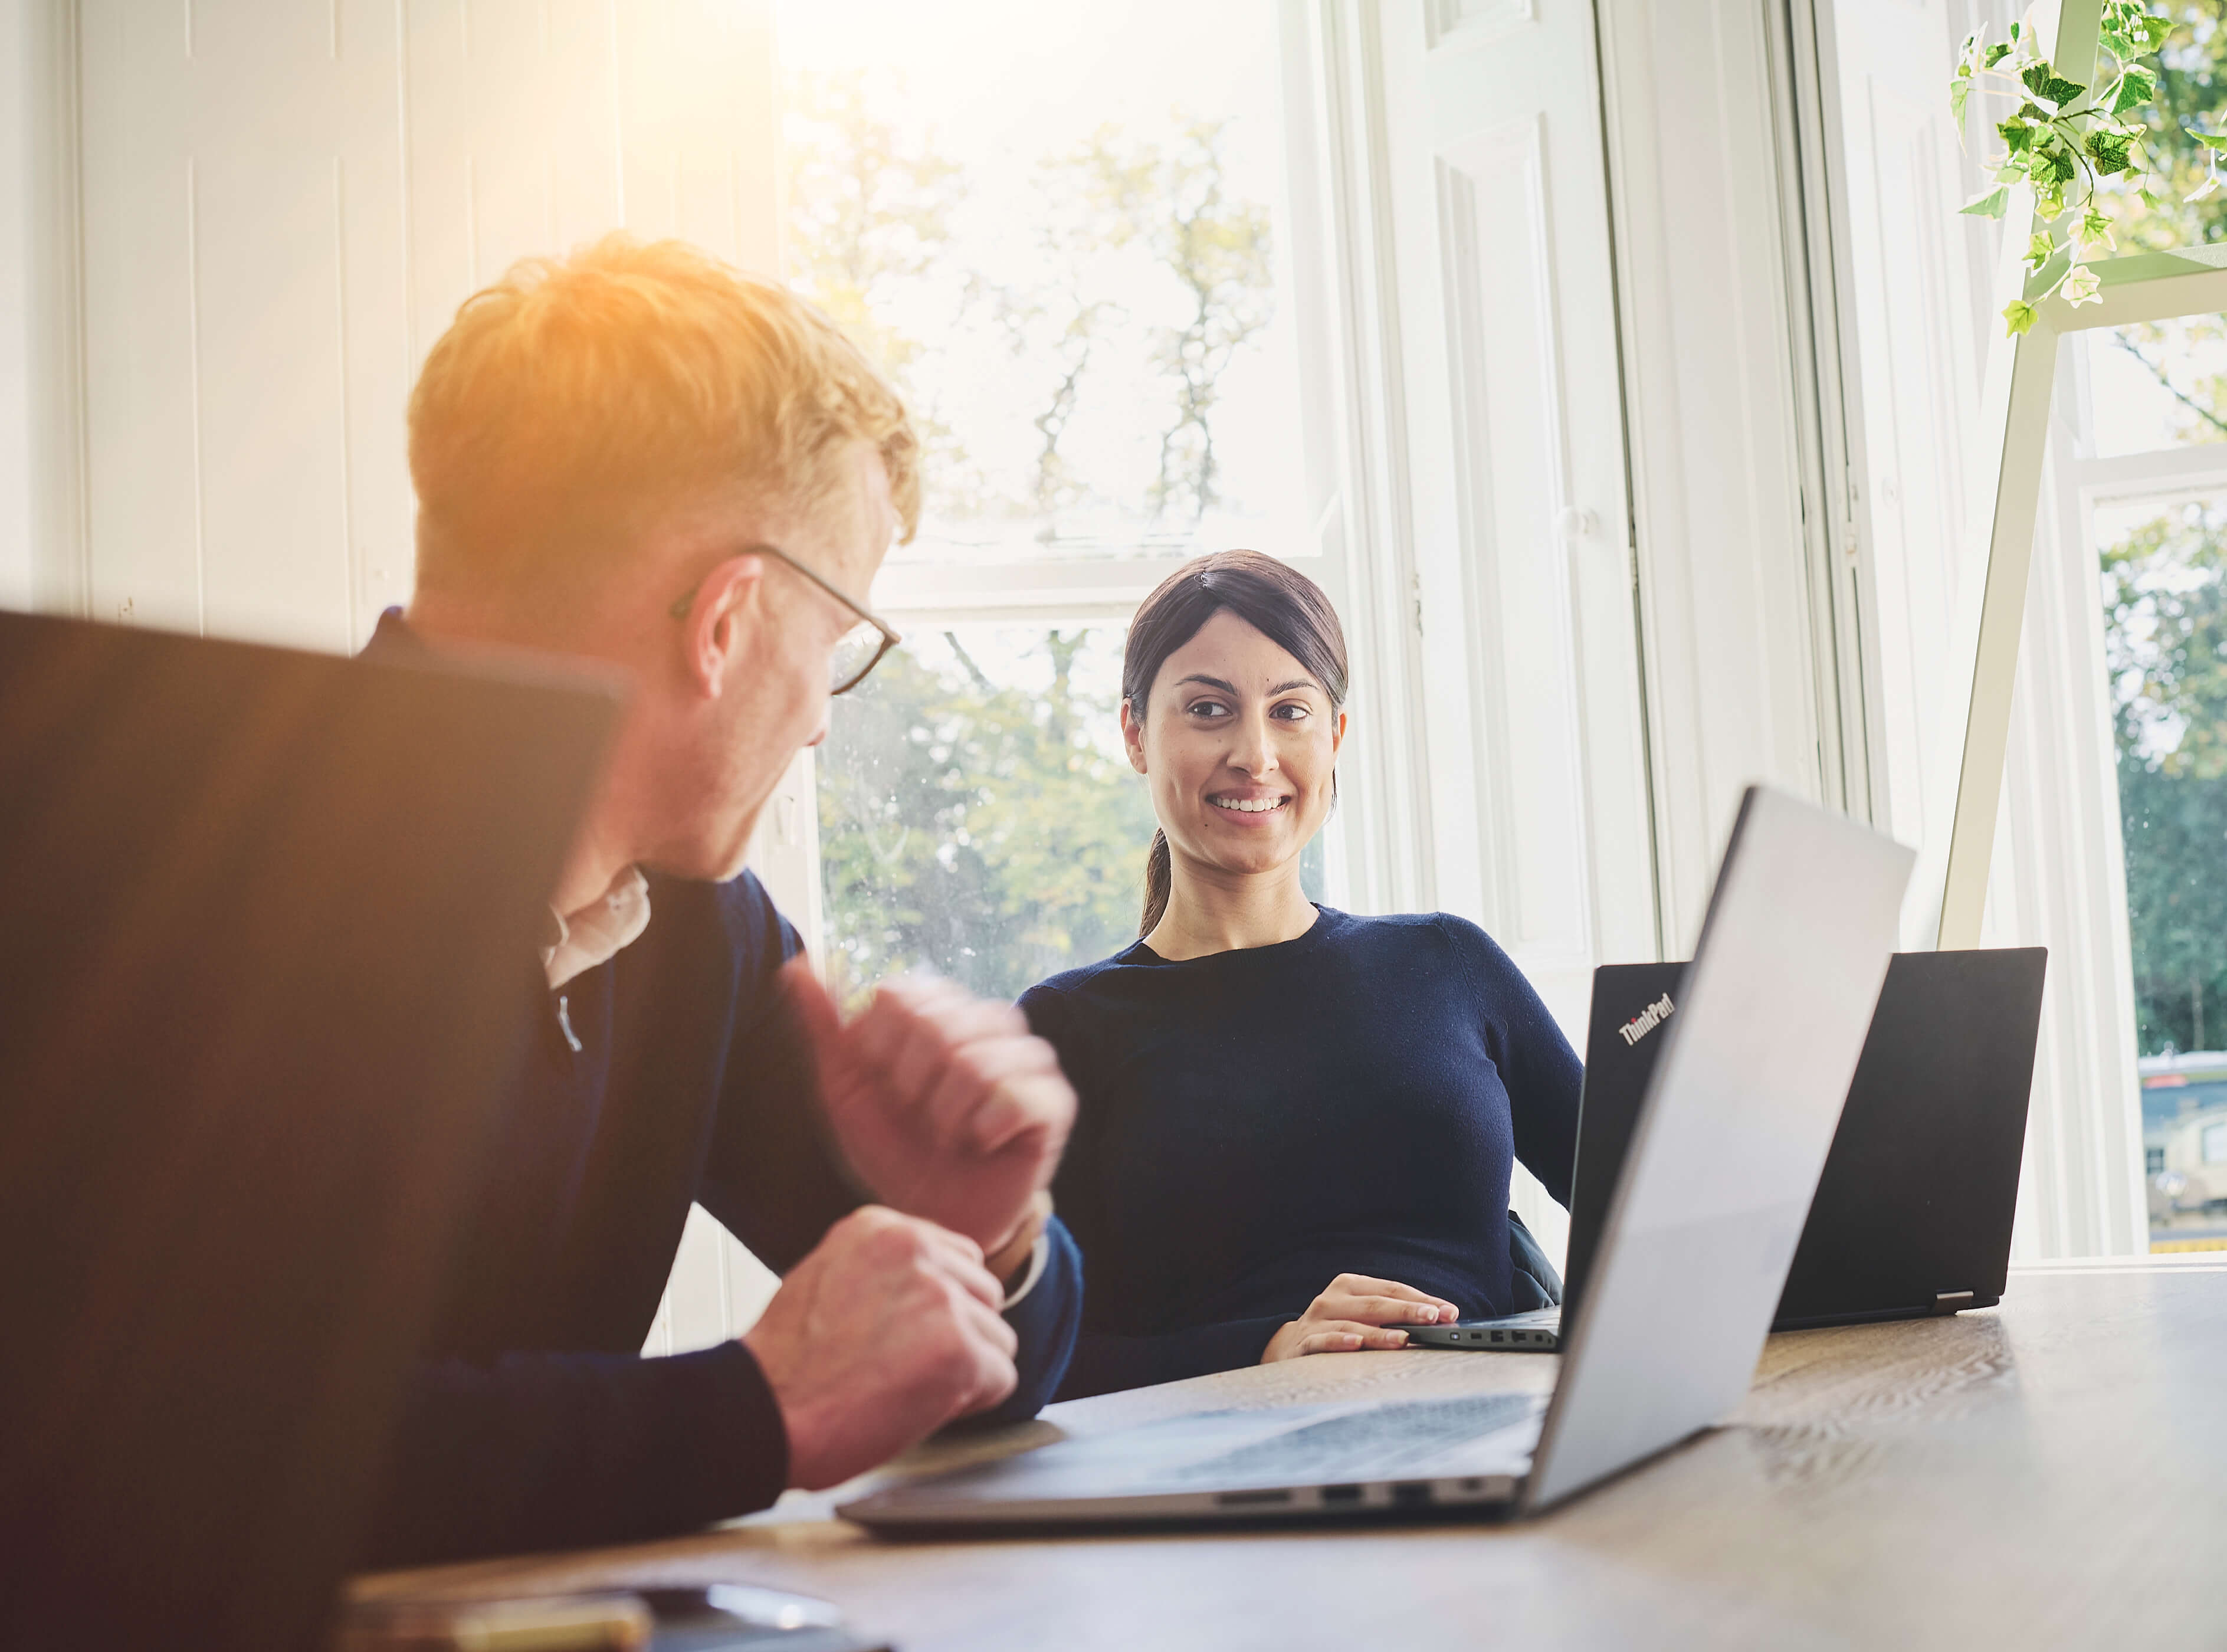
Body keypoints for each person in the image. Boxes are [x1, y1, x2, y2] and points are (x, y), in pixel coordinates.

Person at [359, 234, 1082, 1566]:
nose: (816, 722)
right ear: (730, 622)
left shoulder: (707, 937)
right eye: (837, 643)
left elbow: (980, 1383)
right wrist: (752, 1408)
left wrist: (987, 1232)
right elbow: (183, 1449)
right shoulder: (189, 877)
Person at [1021, 552, 1580, 1399]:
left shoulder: (1447, 964)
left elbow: (1660, 1211)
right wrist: (1268, 1346)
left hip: (1499, 1435)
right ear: (1135, 734)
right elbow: (1027, 1361)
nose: (1256, 753)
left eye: (1291, 712)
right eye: (1209, 710)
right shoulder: (1066, 1028)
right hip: (1230, 1476)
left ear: (1336, 738)